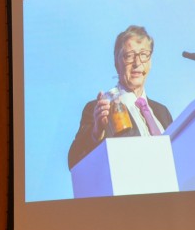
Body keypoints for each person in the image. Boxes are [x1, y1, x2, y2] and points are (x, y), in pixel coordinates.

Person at [68, 25, 173, 169]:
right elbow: (74, 161)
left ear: (150, 61)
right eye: (129, 56)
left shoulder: (162, 112)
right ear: (117, 63)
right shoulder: (99, 109)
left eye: (143, 54)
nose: (137, 63)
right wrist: (96, 132)